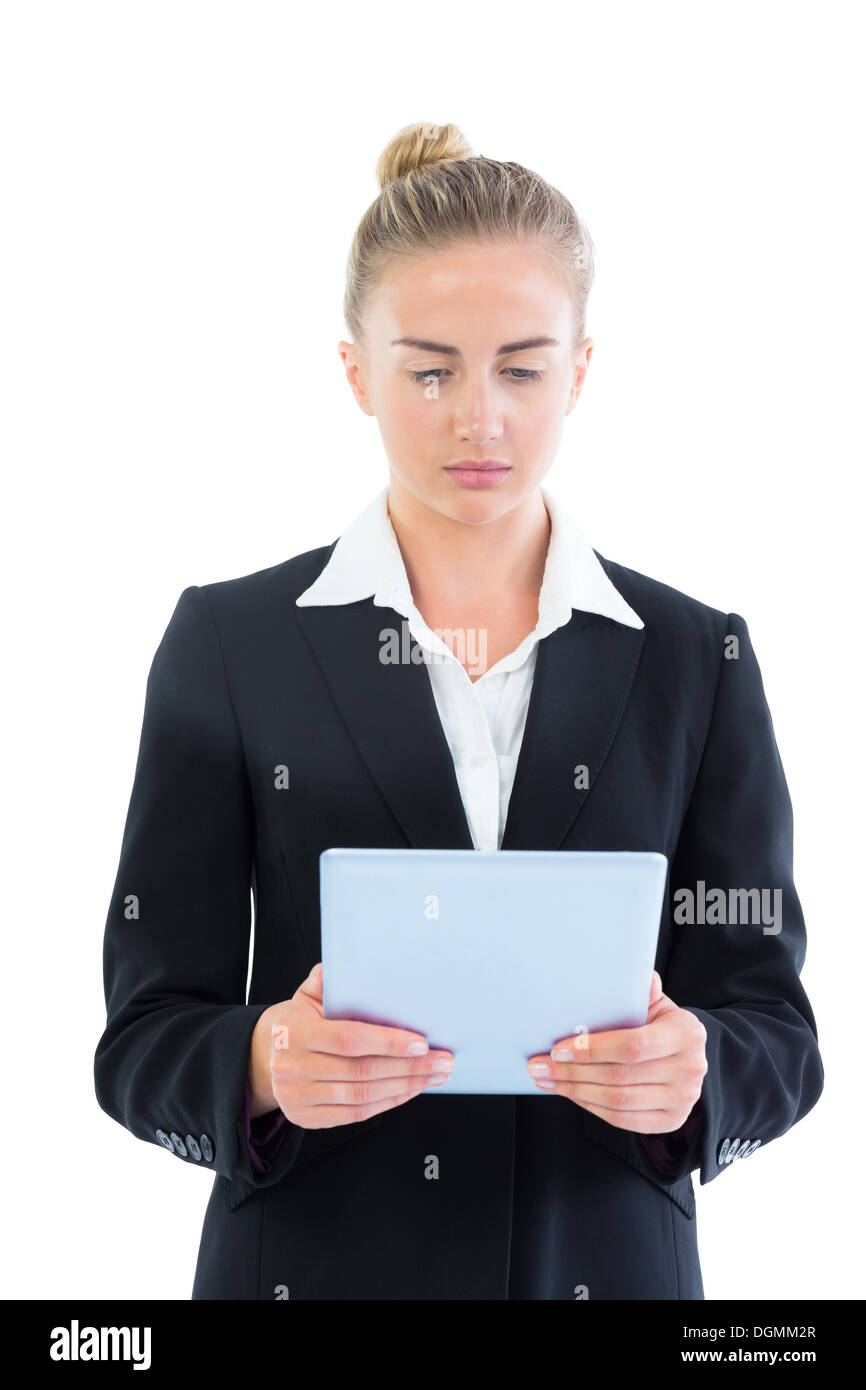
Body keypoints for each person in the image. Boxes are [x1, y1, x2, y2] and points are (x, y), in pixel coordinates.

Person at [94, 121, 824, 1301]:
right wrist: (262, 1061)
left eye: (521, 368)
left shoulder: (699, 656)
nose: (476, 417)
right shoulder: (227, 643)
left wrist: (700, 1073)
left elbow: (771, 1031)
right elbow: (141, 1037)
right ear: (354, 372)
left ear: (579, 372)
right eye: (429, 369)